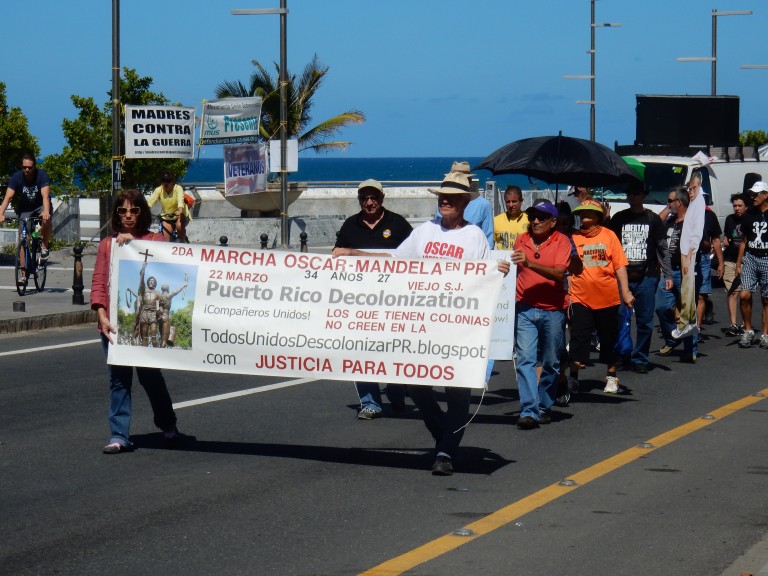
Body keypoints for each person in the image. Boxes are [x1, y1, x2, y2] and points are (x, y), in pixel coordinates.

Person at [333, 172, 509, 476]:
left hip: (458, 329)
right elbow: (393, 261)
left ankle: (446, 452)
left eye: (451, 198)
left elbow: (484, 281)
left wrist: (500, 270)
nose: (444, 201)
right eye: (441, 197)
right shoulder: (424, 231)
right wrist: (351, 254)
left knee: (457, 393)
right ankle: (443, 435)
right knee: (417, 387)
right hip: (422, 328)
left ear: (464, 202)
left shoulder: (474, 236)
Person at [91, 189, 184, 454]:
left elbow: (169, 266)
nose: (128, 215)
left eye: (134, 210)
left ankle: (168, 424)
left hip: (150, 319)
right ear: (116, 214)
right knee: (118, 381)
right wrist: (101, 315)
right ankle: (119, 435)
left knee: (150, 378)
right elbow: (99, 281)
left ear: (142, 212)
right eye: (123, 210)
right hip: (114, 325)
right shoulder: (107, 244)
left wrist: (135, 247)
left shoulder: (155, 240)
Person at [335, 179, 413, 419]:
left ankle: (397, 392)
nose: (369, 202)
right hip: (359, 302)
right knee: (361, 351)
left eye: (373, 197)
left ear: (382, 198)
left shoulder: (398, 224)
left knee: (392, 350)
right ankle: (370, 403)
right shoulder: (350, 225)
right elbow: (337, 258)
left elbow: (413, 258)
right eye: (364, 198)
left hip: (393, 301)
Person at [510, 199, 572, 429]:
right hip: (525, 308)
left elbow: (559, 273)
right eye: (532, 217)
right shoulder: (521, 239)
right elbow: (513, 267)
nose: (535, 221)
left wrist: (530, 264)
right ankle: (529, 410)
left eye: (541, 218)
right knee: (525, 359)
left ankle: (544, 406)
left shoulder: (562, 241)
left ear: (553, 222)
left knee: (551, 362)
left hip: (553, 310)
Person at [567, 199, 634, 393]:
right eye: (581, 213)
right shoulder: (573, 238)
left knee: (608, 339)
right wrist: (568, 293)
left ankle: (611, 376)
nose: (584, 215)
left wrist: (626, 291)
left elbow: (619, 265)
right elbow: (568, 268)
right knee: (578, 338)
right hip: (580, 297)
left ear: (598, 216)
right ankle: (573, 377)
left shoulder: (609, 236)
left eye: (589, 212)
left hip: (607, 297)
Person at [608, 181, 670, 374]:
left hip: (647, 276)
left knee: (644, 320)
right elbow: (609, 245)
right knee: (620, 317)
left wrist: (667, 273)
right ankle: (623, 353)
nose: (632, 197)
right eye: (629, 194)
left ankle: (640, 357)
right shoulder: (619, 218)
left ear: (643, 195)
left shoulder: (652, 219)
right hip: (622, 276)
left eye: (636, 193)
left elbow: (662, 248)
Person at [655, 187, 701, 362]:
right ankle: (672, 338)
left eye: (670, 201)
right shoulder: (670, 220)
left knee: (687, 312)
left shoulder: (692, 222)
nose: (667, 204)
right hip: (668, 272)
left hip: (686, 272)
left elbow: (701, 243)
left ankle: (690, 350)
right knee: (661, 307)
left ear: (679, 203)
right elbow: (655, 223)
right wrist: (668, 208)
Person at [0, 154, 53, 260]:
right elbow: (8, 197)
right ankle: (23, 268)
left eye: (30, 167)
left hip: (40, 205)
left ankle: (44, 248)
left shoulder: (42, 175)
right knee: (23, 238)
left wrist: (46, 211)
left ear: (34, 167)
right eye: (24, 167)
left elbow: (45, 196)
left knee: (46, 220)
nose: (27, 170)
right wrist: (1, 213)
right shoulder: (16, 177)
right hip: (25, 208)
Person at [672, 172, 705, 339]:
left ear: (700, 186)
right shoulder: (693, 202)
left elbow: (697, 233)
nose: (691, 191)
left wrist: (689, 257)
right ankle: (690, 322)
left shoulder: (699, 203)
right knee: (687, 290)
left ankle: (685, 324)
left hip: (689, 253)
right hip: (685, 252)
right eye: (689, 188)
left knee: (687, 290)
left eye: (694, 188)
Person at [735, 181, 768, 349]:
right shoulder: (749, 215)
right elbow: (744, 241)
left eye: (756, 194)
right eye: (751, 194)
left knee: (766, 299)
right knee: (744, 295)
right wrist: (738, 263)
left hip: (767, 258)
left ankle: (765, 334)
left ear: (765, 195)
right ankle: (748, 330)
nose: (753, 197)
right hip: (751, 257)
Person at [435, 161, 494, 247]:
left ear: (469, 181)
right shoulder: (443, 204)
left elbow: (488, 239)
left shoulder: (483, 204)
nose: (445, 201)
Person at [722, 193, 748, 336]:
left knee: (744, 294)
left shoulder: (750, 219)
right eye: (735, 206)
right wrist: (725, 240)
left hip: (746, 261)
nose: (737, 208)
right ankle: (733, 324)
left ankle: (745, 323)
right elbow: (727, 236)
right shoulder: (729, 219)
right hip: (730, 259)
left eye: (740, 206)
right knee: (732, 292)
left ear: (746, 206)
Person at [696, 207, 724, 335]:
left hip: (703, 257)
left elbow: (716, 239)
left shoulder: (709, 215)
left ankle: (697, 330)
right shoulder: (683, 212)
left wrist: (720, 263)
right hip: (685, 257)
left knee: (700, 294)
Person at [147, 170, 189, 242]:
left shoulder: (178, 188)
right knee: (166, 240)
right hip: (167, 216)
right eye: (163, 181)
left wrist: (180, 211)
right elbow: (150, 202)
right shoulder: (159, 190)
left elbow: (180, 201)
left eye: (168, 181)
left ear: (172, 182)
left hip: (181, 214)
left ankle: (182, 242)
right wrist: (144, 210)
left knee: (179, 226)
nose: (166, 184)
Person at [493, 185, 528, 250]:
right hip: (502, 256)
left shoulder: (529, 220)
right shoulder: (496, 221)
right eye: (508, 202)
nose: (511, 205)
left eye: (514, 201)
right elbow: (489, 245)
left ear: (521, 201)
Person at [158, 277, 188, 348]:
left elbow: (156, 306)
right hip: (165, 317)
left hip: (159, 318)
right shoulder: (168, 295)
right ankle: (160, 353)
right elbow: (176, 291)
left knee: (162, 338)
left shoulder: (158, 296)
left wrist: (158, 315)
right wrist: (183, 286)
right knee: (164, 340)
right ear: (167, 289)